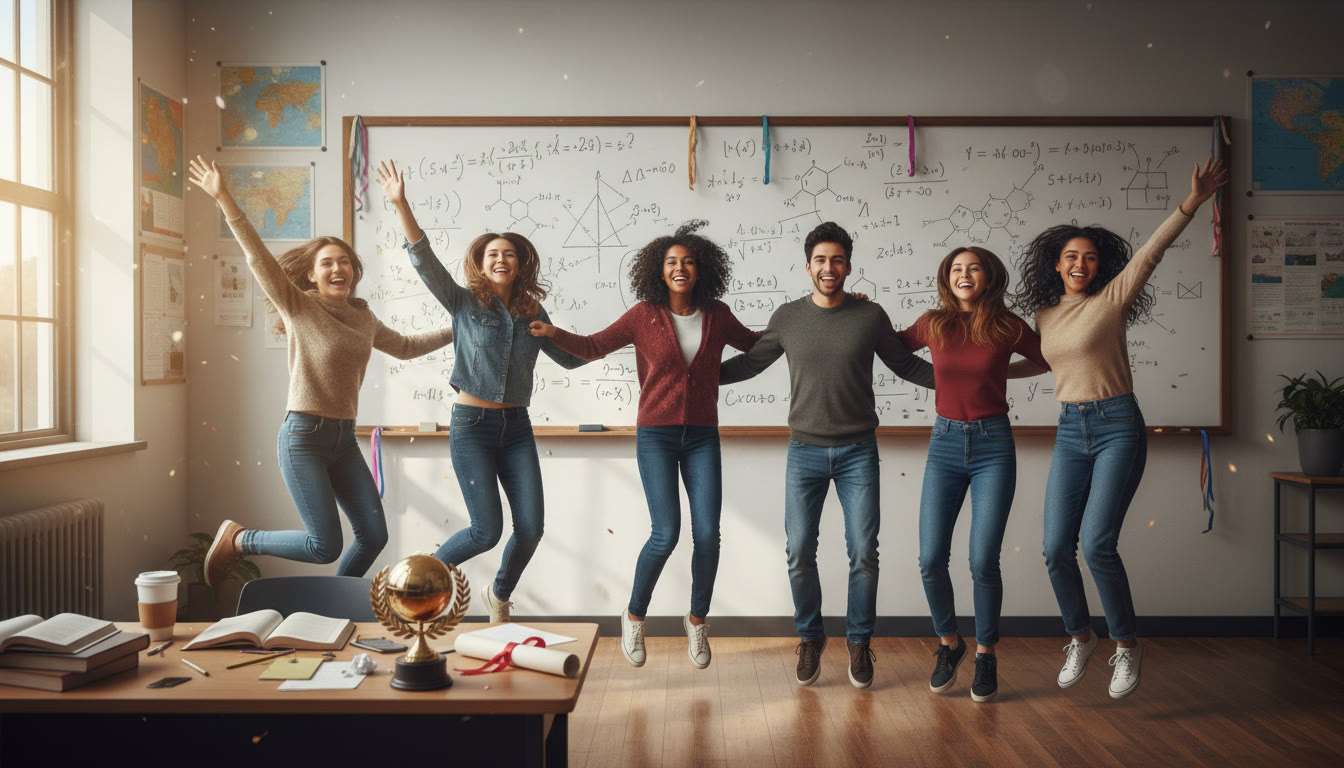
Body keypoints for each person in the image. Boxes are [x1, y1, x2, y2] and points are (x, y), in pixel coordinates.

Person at [1011, 157, 1227, 699]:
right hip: (1070, 428)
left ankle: (1126, 645)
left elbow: (1153, 250)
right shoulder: (1044, 316)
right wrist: (987, 373)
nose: (1080, 263)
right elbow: (1044, 363)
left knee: (1097, 543)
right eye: (1070, 257)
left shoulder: (1111, 299)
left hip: (1116, 426)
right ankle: (1081, 638)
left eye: (1088, 257)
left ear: (1098, 266)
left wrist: (1192, 202)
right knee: (1055, 548)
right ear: (1055, 266)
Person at [188, 156, 454, 584]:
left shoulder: (362, 317)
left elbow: (405, 347)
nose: (338, 268)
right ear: (311, 275)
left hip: (344, 439)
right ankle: (241, 540)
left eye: (345, 262)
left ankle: (329, 610)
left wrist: (458, 328)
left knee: (373, 536)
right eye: (327, 263)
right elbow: (259, 260)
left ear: (354, 271)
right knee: (324, 545)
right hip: (304, 437)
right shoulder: (300, 307)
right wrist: (223, 198)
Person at [528, 221, 760, 670]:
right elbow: (594, 346)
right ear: (658, 269)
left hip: (702, 436)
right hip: (656, 435)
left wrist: (817, 317)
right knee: (666, 533)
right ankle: (635, 615)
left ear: (701, 269)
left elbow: (758, 348)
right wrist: (553, 333)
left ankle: (697, 621)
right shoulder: (643, 315)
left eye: (688, 262)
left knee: (708, 535)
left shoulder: (717, 314)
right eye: (672, 262)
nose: (680, 268)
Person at [719, 221, 935, 690]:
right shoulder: (788, 317)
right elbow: (750, 364)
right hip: (805, 452)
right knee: (799, 552)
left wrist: (960, 383)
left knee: (863, 553)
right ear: (807, 266)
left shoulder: (869, 315)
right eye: (820, 260)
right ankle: (811, 638)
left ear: (849, 266)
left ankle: (858, 641)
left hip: (859, 450)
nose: (829, 268)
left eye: (837, 260)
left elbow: (906, 363)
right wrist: (694, 377)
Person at [375, 160, 589, 623]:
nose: (500, 259)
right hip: (471, 427)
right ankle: (413, 584)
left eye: (508, 254)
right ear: (480, 262)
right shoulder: (464, 303)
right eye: (492, 253)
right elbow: (424, 260)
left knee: (530, 529)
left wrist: (569, 335)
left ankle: (500, 594)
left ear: (520, 263)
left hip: (517, 428)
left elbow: (573, 359)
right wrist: (400, 203)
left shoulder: (533, 308)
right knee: (486, 531)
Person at [897, 246, 1049, 703]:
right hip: (944, 443)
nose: (965, 275)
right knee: (929, 558)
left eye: (974, 268)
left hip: (993, 445)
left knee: (983, 560)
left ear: (989, 277)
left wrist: (1003, 372)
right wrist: (862, 307)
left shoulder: (1007, 326)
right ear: (947, 278)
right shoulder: (933, 323)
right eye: (956, 269)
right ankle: (949, 644)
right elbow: (886, 347)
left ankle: (986, 654)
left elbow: (1048, 358)